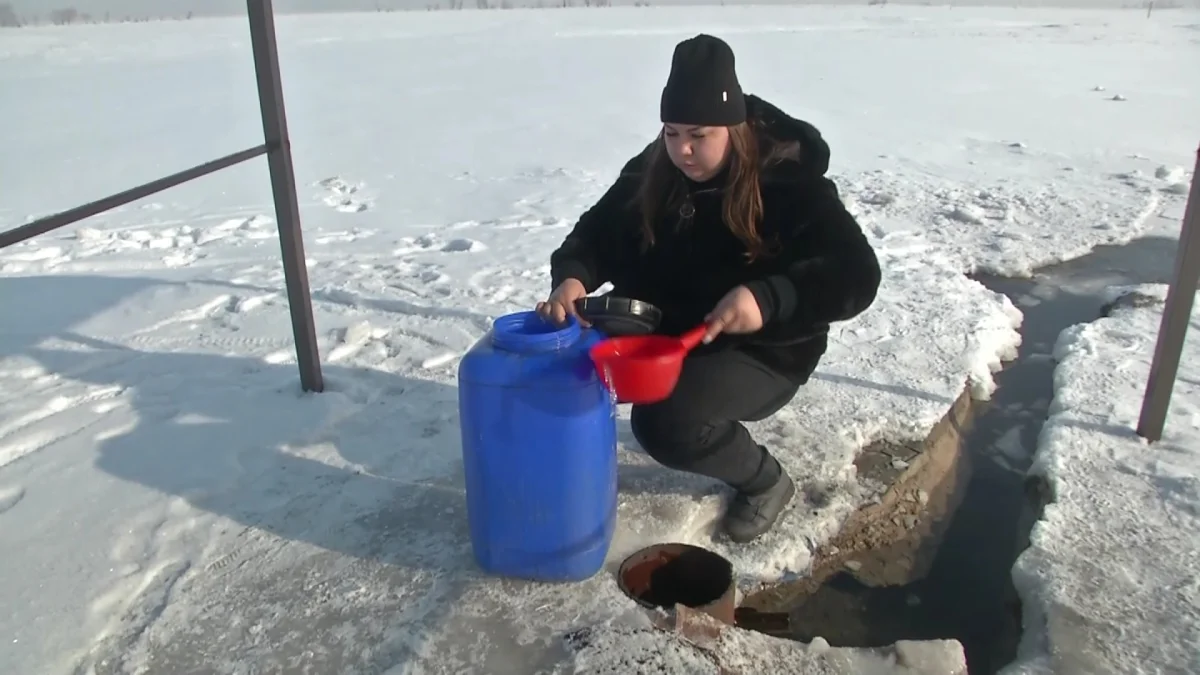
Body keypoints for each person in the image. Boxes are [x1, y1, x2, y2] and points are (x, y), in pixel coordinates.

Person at [535, 34, 882, 543]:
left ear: (732, 127)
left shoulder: (785, 179)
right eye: (672, 133)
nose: (683, 150)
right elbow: (598, 231)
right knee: (562, 359)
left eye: (698, 135)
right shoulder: (658, 166)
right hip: (676, 330)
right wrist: (573, 275)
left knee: (667, 423)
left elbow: (857, 273)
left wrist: (768, 299)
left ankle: (766, 482)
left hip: (766, 349)